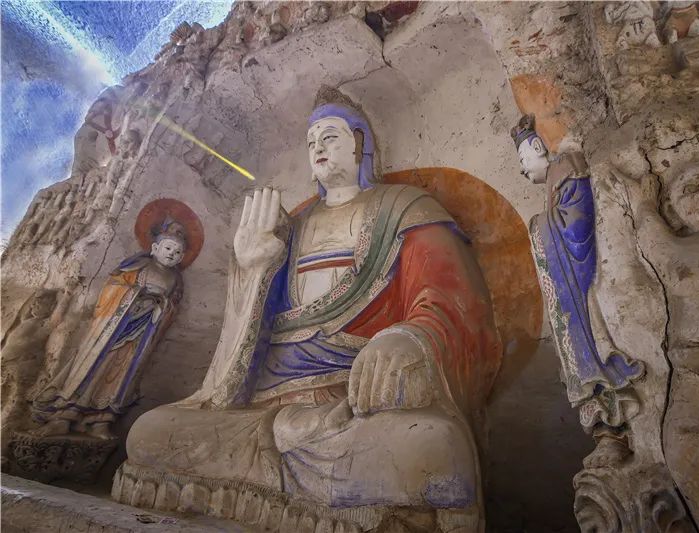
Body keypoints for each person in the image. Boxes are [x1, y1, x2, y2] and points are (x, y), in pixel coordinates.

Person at [118, 87, 502, 530]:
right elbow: (236, 365)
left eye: (330, 137)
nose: (317, 148)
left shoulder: (404, 208)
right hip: (264, 407)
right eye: (311, 142)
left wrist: (408, 337)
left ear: (360, 143)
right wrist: (252, 270)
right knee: (150, 432)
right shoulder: (291, 226)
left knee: (434, 448)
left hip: (353, 407)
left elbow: (451, 301)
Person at [31, 218, 191, 440]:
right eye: (168, 248)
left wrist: (161, 305)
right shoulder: (139, 265)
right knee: (91, 366)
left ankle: (100, 421)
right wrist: (134, 294)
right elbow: (112, 287)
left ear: (182, 258)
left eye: (177, 252)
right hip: (112, 329)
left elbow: (172, 307)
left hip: (141, 334)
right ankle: (63, 417)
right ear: (154, 248)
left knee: (122, 375)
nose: (172, 254)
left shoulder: (174, 279)